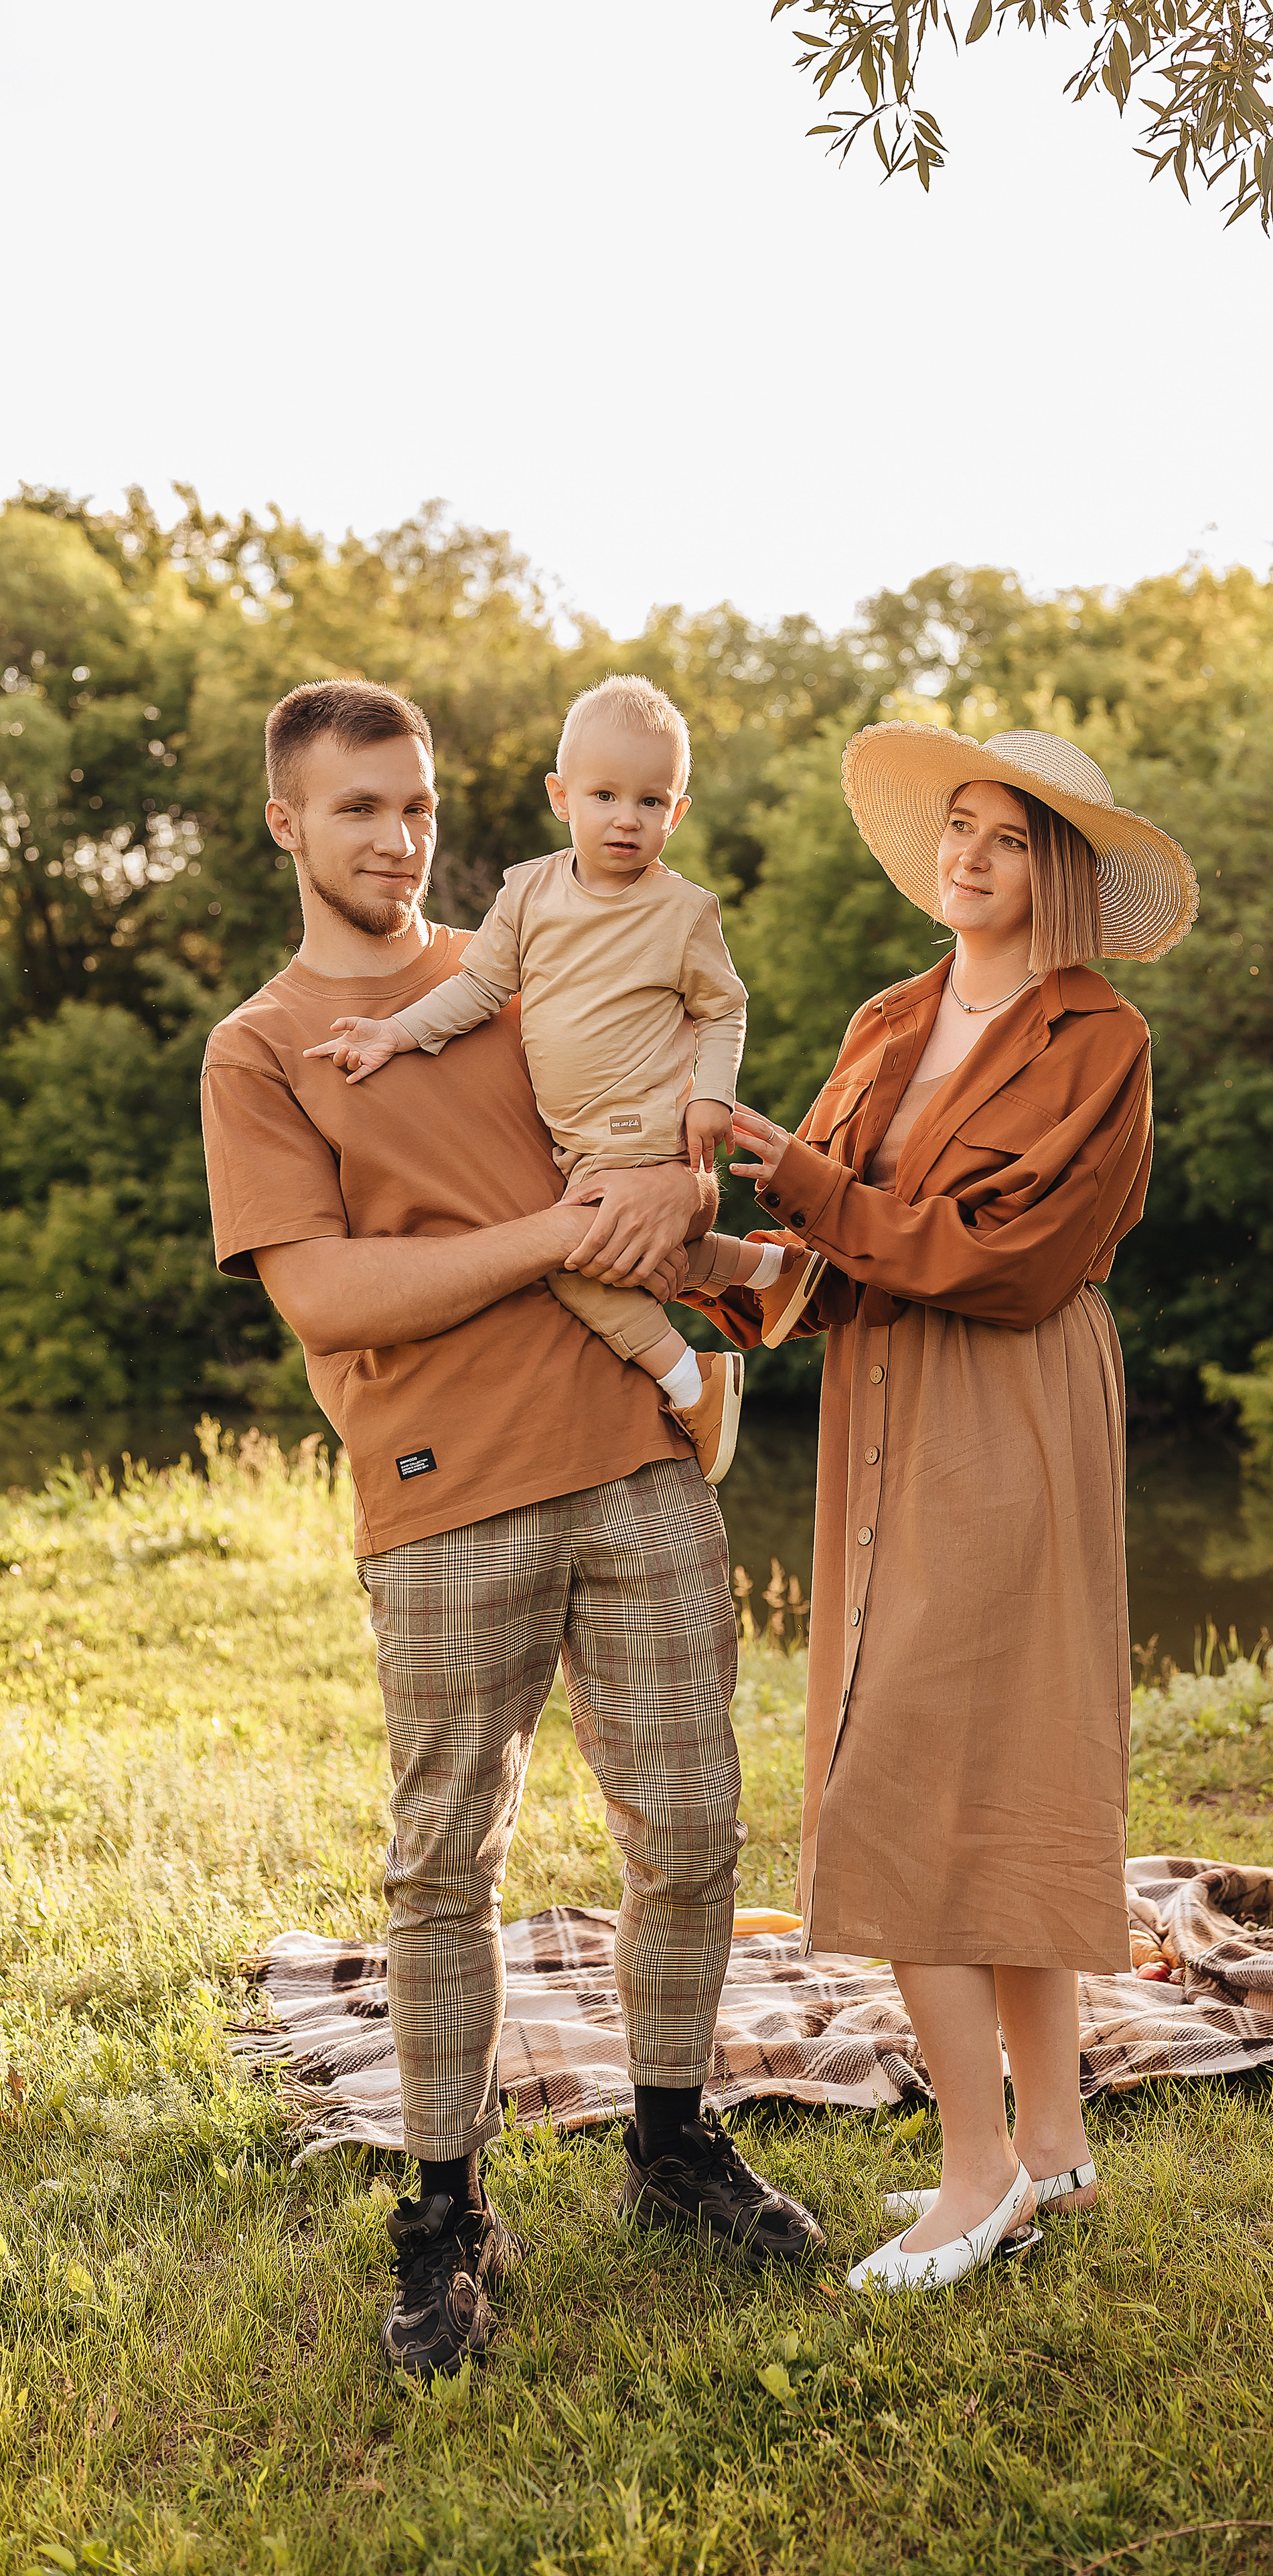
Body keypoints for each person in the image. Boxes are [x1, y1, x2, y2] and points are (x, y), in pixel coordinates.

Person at [200, 678, 821, 2378]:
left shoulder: (536, 950)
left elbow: (669, 1122)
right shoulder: (260, 1047)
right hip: (441, 1489)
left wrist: (686, 1184)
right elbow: (326, 1293)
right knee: (442, 1864)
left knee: (692, 1828)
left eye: (414, 805)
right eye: (357, 808)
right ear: (286, 822)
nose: (397, 838)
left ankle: (672, 2142)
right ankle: (445, 2210)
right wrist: (553, 1237)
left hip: (636, 1453)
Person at [708, 723, 1197, 2292]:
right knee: (968, 1764)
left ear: (1058, 870)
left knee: (921, 1765)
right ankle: (1050, 2150)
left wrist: (795, 1181)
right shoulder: (889, 1015)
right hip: (886, 1396)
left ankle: (974, 2173)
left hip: (1008, 1392)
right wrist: (692, 1255)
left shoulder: (1097, 1038)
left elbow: (1009, 1260)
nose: (968, 856)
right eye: (958, 827)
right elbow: (834, 1246)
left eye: (1005, 836)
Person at [302, 672, 786, 1488]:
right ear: (562, 797)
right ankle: (770, 1273)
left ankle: (689, 1381)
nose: (626, 818)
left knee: (577, 1264)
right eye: (605, 796)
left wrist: (711, 1094)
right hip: (578, 1138)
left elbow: (724, 1009)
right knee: (634, 1250)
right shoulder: (528, 891)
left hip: (637, 1122)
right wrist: (396, 1032)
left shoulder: (682, 911)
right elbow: (480, 988)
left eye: (650, 801)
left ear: (676, 813)